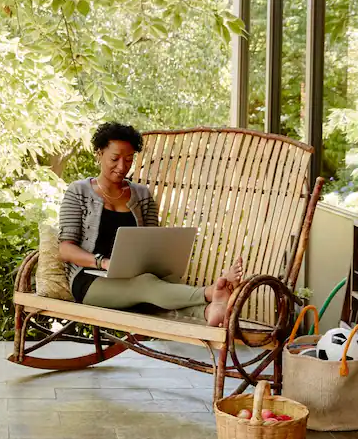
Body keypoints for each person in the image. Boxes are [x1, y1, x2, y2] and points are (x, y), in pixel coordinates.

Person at [58, 121, 240, 326]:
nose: (122, 167)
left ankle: (209, 311)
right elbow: (65, 249)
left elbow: (153, 244)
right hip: (90, 281)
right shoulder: (78, 192)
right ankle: (210, 292)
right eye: (114, 159)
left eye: (129, 160)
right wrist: (103, 263)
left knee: (161, 284)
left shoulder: (141, 195)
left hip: (136, 279)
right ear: (100, 154)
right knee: (146, 285)